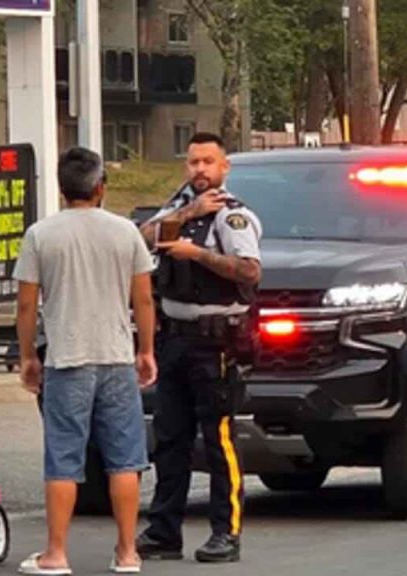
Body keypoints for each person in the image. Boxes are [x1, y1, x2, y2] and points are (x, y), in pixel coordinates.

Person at [14, 146, 158, 575]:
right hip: (115, 357)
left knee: (63, 458)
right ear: (100, 187)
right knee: (125, 458)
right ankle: (128, 551)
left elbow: (26, 305)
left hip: (67, 358)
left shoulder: (41, 235)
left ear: (62, 189)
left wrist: (26, 356)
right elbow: (144, 297)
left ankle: (56, 554)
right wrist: (145, 349)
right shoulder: (125, 232)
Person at [135, 132, 263, 563]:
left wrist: (198, 255)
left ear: (224, 167)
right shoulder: (178, 210)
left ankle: (226, 533)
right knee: (169, 439)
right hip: (174, 340)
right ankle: (163, 533)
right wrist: (186, 212)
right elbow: (141, 239)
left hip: (216, 344)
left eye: (209, 162)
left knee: (218, 440)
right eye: (193, 162)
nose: (200, 170)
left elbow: (249, 272)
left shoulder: (233, 218)